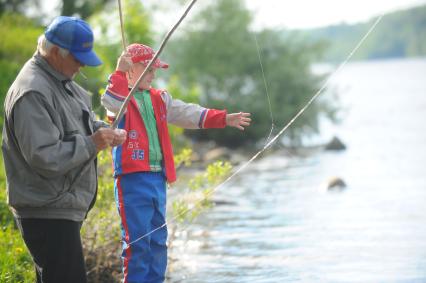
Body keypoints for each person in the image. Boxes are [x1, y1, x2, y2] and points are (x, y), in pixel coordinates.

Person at [101, 43, 251, 283]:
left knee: (158, 241)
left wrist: (223, 118)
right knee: (137, 243)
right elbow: (111, 103)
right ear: (132, 69)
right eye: (149, 70)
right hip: (131, 179)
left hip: (157, 178)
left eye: (154, 70)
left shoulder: (160, 98)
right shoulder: (120, 97)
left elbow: (188, 113)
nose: (153, 75)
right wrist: (119, 73)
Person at [1, 16, 127, 283]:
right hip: (46, 210)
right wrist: (93, 142)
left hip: (58, 207)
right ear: (56, 52)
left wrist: (104, 130)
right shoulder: (32, 91)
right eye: (78, 58)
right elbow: (44, 157)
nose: (82, 64)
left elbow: (81, 121)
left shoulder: (61, 79)